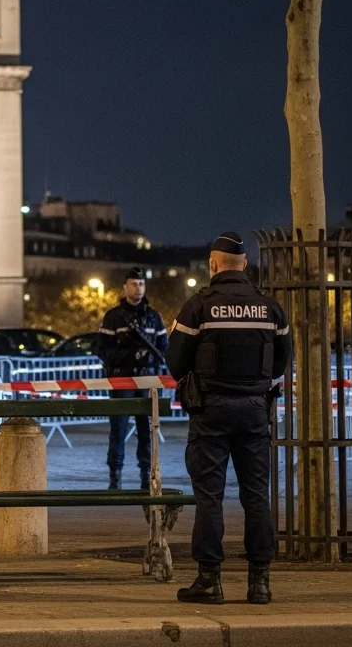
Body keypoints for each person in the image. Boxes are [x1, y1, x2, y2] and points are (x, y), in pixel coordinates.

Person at [166, 232, 291, 606]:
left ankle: (209, 581)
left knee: (210, 499)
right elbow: (281, 362)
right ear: (245, 265)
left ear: (213, 265)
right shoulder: (270, 309)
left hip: (211, 412)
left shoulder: (198, 307)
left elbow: (175, 363)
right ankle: (260, 583)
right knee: (256, 497)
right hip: (255, 411)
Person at [93, 268, 168, 490]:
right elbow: (100, 348)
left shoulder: (153, 317)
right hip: (122, 380)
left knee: (147, 431)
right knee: (119, 429)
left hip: (147, 380)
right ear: (125, 287)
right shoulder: (114, 316)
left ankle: (146, 475)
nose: (138, 288)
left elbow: (164, 348)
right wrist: (127, 352)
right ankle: (115, 476)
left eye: (141, 284)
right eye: (134, 284)